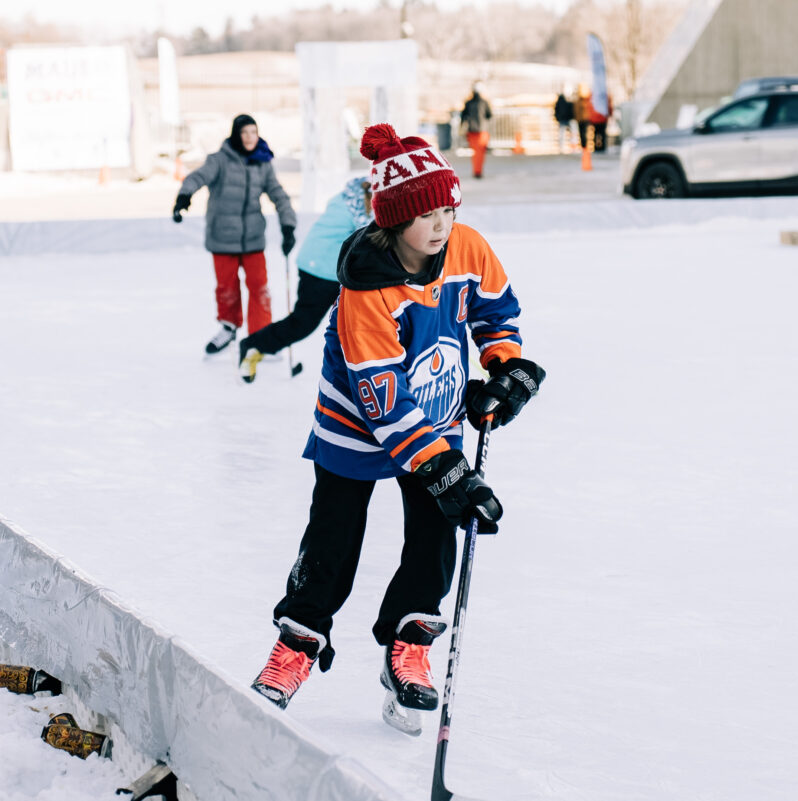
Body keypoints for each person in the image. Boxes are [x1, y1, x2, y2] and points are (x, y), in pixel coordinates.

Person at [250, 124, 546, 717]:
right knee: (333, 538)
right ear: (394, 221)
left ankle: (408, 645)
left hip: (434, 417)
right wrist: (445, 468)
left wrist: (504, 369)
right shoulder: (366, 289)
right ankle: (298, 643)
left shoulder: (467, 248)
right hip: (358, 425)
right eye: (427, 214)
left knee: (436, 538)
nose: (442, 225)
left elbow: (495, 313)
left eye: (447, 208)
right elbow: (381, 398)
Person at [174, 114, 297, 355]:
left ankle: (261, 337)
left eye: (254, 132)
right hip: (223, 237)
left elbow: (278, 194)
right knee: (227, 288)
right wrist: (184, 196)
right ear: (236, 135)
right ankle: (228, 328)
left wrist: (288, 225)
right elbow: (198, 177)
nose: (250, 137)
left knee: (259, 287)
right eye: (245, 132)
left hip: (253, 238)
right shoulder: (219, 160)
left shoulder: (262, 163)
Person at [238, 176, 373, 383]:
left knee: (351, 319)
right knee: (304, 322)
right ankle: (254, 344)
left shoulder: (347, 197)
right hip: (321, 269)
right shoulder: (360, 211)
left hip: (320, 264)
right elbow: (369, 243)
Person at [461, 82, 492, 179]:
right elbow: (489, 115)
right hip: (482, 131)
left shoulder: (468, 103)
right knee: (480, 153)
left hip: (472, 131)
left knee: (475, 153)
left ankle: (476, 171)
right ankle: (478, 171)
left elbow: (463, 116)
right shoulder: (484, 102)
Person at [554, 87, 575, 153]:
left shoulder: (558, 103)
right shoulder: (568, 102)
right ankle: (572, 147)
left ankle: (561, 147)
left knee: (562, 134)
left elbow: (556, 111)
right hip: (567, 119)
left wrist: (558, 118)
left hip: (562, 120)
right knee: (571, 134)